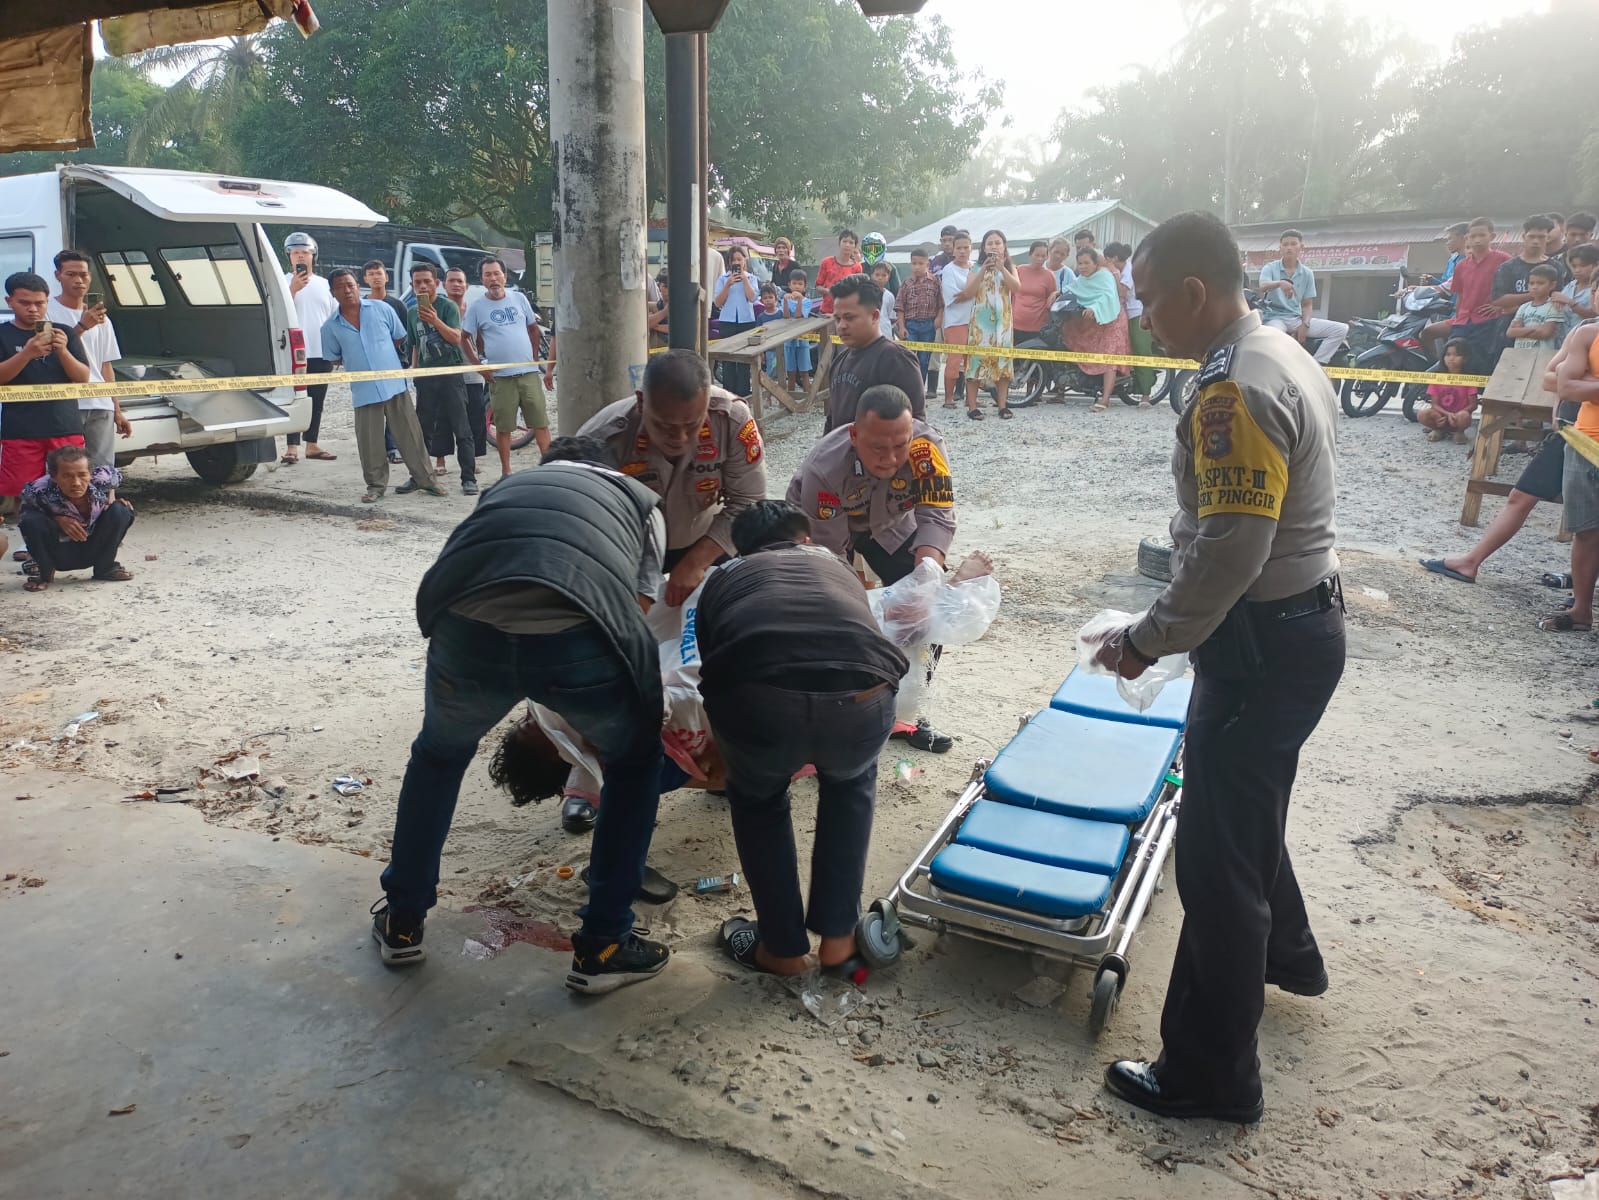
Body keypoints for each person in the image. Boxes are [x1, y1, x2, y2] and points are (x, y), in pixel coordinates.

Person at [1095, 211, 1343, 1124]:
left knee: (1214, 865)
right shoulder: (1275, 349)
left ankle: (1208, 1077)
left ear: (1193, 293)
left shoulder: (1233, 388)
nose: (1145, 313)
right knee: (1242, 812)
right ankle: (1290, 956)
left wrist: (1148, 637)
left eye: (1150, 297)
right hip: (1297, 629)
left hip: (1262, 642)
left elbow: (1233, 547)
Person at [371, 434, 672, 994]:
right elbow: (637, 615)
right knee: (634, 768)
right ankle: (604, 946)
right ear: (607, 470)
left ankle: (403, 920)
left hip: (466, 625)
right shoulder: (638, 502)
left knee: (438, 756)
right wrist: (620, 714)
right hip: (577, 634)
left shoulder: (508, 486)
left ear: (550, 466)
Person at [700, 499, 909, 976]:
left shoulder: (727, 576)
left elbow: (713, 671)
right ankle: (838, 940)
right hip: (865, 703)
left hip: (762, 705)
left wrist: (727, 748)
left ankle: (782, 948)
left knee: (757, 801)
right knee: (850, 785)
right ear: (806, 537)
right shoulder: (835, 565)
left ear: (740, 549)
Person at [788, 384, 956, 753]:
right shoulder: (825, 466)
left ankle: (908, 711)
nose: (891, 458)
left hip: (891, 525)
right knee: (835, 618)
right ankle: (840, 719)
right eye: (878, 448)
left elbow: (937, 516)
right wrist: (869, 603)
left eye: (901, 445)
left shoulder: (928, 449)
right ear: (854, 434)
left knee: (928, 613)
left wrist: (925, 579)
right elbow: (832, 554)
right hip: (821, 530)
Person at [577, 349, 766, 604]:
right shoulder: (603, 437)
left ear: (707, 403)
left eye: (692, 425)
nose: (680, 439)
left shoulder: (731, 419)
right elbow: (586, 521)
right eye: (665, 426)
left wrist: (697, 561)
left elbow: (748, 501)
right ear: (642, 402)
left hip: (707, 540)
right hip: (628, 550)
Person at [1419, 324, 1592, 586]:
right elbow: (1551, 379)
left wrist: (1577, 380)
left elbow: (1564, 380)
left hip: (1590, 435)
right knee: (1520, 496)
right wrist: (1570, 386)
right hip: (1569, 430)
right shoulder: (1584, 331)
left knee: (1588, 524)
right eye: (1596, 289)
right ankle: (1471, 561)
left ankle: (1583, 588)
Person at [318, 269, 441, 504]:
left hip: (393, 384)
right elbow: (334, 358)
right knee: (370, 441)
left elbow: (398, 337)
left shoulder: (382, 309)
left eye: (350, 285)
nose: (347, 290)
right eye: (340, 287)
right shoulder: (330, 327)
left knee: (410, 434)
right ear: (333, 293)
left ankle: (427, 479)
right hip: (363, 390)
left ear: (358, 286)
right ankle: (376, 486)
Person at [0, 271, 91, 510]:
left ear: (47, 301)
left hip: (64, 423)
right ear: (9, 301)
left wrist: (62, 351)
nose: (33, 309)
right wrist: (27, 353)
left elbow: (83, 378)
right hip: (20, 427)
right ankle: (29, 541)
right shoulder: (3, 334)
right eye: (25, 303)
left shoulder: (65, 332)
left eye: (39, 303)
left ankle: (71, 537)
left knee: (72, 485)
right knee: (25, 490)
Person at [1535, 321, 1599, 633]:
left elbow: (1574, 382)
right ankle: (1581, 611)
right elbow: (1565, 386)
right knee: (1586, 532)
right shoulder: (1588, 334)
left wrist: (1591, 381)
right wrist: (1579, 381)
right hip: (1586, 444)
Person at [463, 257, 549, 479]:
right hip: (500, 378)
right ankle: (506, 471)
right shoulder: (477, 307)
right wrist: (478, 366)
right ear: (482, 279)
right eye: (487, 275)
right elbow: (464, 338)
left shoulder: (518, 298)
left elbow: (532, 329)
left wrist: (532, 357)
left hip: (528, 374)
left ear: (504, 275)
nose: (493, 279)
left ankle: (549, 468)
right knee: (503, 427)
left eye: (496, 274)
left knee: (540, 422)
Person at [16, 445, 135, 592]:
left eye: (82, 475)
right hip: (59, 551)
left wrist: (111, 497)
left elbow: (115, 476)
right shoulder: (38, 490)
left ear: (90, 474)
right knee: (31, 520)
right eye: (67, 476)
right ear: (54, 477)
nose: (76, 483)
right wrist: (57, 519)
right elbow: (24, 518)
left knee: (121, 510)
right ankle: (45, 574)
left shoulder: (101, 478)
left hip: (93, 545)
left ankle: (105, 568)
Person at [48, 251, 128, 468]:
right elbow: (50, 355)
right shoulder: (47, 312)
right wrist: (82, 327)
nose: (78, 280)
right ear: (58, 275)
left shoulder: (102, 319)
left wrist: (117, 409)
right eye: (71, 274)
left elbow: (106, 365)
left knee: (103, 468)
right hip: (66, 402)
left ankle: (104, 503)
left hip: (100, 402)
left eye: (83, 275)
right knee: (66, 468)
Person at [404, 263, 476, 495]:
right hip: (426, 377)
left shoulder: (447, 307)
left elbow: (456, 338)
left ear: (436, 283)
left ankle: (468, 478)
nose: (423, 286)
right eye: (417, 283)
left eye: (427, 281)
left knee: (461, 427)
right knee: (422, 429)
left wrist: (435, 321)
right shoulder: (412, 311)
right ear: (412, 286)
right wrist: (416, 373)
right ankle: (419, 476)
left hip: (451, 374)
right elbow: (415, 345)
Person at [823, 275, 927, 434]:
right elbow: (832, 422)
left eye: (849, 317)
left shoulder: (896, 359)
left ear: (875, 316)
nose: (842, 326)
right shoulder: (839, 362)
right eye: (837, 319)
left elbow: (916, 425)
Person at [281, 231, 337, 465]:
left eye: (305, 252)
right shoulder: (281, 282)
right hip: (294, 352)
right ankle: (291, 447)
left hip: (321, 351)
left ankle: (312, 444)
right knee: (295, 397)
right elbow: (279, 313)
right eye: (295, 253)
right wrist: (292, 289)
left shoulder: (325, 285)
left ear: (313, 255)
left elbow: (335, 317)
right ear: (289, 257)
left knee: (317, 400)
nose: (300, 256)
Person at [1256, 230, 1349, 365]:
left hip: (1296, 319)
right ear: (1280, 248)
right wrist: (1280, 283)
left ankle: (1317, 365)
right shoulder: (1270, 268)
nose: (1289, 247)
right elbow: (1263, 286)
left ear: (1301, 247)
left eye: (1293, 244)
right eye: (1285, 244)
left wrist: (1305, 324)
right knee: (1274, 338)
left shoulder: (1307, 273)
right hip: (1274, 318)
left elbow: (1307, 304)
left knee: (1341, 329)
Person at [1437, 217, 1512, 370]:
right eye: (1473, 236)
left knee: (1481, 363)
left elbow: (1513, 290)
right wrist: (1458, 318)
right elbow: (1461, 295)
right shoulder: (1461, 266)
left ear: (1492, 237)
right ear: (1467, 239)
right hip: (1463, 321)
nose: (1477, 240)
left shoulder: (1504, 260)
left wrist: (1499, 307)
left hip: (1489, 322)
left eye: (1481, 235)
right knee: (1453, 362)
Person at [959, 230, 1019, 421]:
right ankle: (973, 406)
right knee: (976, 363)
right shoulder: (975, 268)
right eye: (990, 243)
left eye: (998, 243)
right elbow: (968, 292)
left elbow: (1017, 288)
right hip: (981, 323)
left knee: (1002, 363)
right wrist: (983, 269)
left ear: (1004, 246)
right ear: (984, 248)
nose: (994, 246)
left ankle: (1002, 406)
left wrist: (1002, 269)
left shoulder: (1010, 267)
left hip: (1003, 322)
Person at [1064, 247, 1131, 412]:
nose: (1083, 267)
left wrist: (1094, 308)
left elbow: (1108, 296)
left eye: (1087, 263)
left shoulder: (1104, 275)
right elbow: (1074, 288)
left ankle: (1105, 399)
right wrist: (1057, 293)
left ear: (1095, 263)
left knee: (1109, 359)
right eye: (1080, 263)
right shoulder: (1082, 278)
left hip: (1112, 319)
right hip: (1094, 321)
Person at [363, 259, 413, 465]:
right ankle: (373, 450)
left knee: (394, 408)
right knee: (372, 408)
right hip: (367, 365)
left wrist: (403, 358)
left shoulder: (397, 305)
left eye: (379, 273)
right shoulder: (360, 305)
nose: (376, 277)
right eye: (371, 273)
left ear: (386, 277)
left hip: (394, 363)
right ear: (365, 279)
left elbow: (405, 335)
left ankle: (393, 447)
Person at [444, 267, 488, 460]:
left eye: (460, 281)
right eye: (451, 281)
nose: (456, 285)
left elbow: (481, 342)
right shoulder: (438, 311)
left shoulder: (475, 311)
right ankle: (441, 459)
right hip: (446, 374)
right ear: (444, 285)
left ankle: (473, 459)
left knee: (475, 419)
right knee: (444, 419)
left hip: (472, 374)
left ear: (466, 286)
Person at [1106, 242, 1157, 405]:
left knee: (1141, 353)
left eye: (1107, 259)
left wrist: (1113, 272)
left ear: (1113, 258)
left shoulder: (1129, 270)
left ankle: (1145, 395)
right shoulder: (1123, 269)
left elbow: (1122, 291)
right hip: (1126, 314)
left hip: (1138, 315)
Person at [1420, 223, 1472, 359]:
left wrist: (1416, 289)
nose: (1447, 242)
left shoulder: (1469, 260)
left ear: (1463, 238)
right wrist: (1432, 282)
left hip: (1461, 312)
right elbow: (1447, 284)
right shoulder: (1452, 260)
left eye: (1450, 238)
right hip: (1445, 309)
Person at [713, 246, 759, 396]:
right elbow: (718, 303)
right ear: (729, 262)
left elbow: (752, 298)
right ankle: (729, 392)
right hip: (727, 321)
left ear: (745, 260)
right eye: (734, 260)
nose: (737, 262)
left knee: (745, 358)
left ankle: (744, 391)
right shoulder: (723, 279)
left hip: (746, 321)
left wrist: (744, 280)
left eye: (740, 259)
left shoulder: (752, 278)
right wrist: (728, 284)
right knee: (728, 359)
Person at [896, 248, 943, 396]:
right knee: (909, 359)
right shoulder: (906, 284)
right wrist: (902, 326)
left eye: (920, 263)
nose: (917, 267)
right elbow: (900, 307)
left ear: (927, 264)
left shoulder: (935, 282)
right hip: (911, 326)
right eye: (914, 263)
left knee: (924, 360)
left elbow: (941, 304)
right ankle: (907, 391)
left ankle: (919, 393)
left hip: (928, 326)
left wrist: (938, 319)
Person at [1415, 338, 1479, 443]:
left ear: (1465, 358)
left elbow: (1473, 405)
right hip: (1440, 417)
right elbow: (1434, 404)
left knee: (1464, 416)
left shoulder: (1469, 379)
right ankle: (1438, 429)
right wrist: (1447, 414)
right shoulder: (1438, 378)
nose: (1451, 358)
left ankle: (1459, 432)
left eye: (1457, 355)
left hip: (1458, 418)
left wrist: (1457, 415)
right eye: (1448, 354)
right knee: (1422, 414)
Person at [938, 232, 976, 407]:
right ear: (953, 250)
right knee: (954, 360)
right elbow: (953, 296)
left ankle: (971, 399)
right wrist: (972, 292)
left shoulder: (976, 268)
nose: (962, 251)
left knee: (973, 361)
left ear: (971, 248)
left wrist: (968, 293)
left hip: (976, 321)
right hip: (955, 322)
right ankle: (948, 398)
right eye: (959, 248)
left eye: (966, 247)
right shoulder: (949, 270)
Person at [1013, 240, 1058, 350]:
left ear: (1047, 257)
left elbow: (1051, 299)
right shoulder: (1019, 270)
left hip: (1037, 326)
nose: (1040, 259)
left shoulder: (1049, 276)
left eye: (1043, 256)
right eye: (1037, 255)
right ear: (1030, 254)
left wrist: (1056, 293)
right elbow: (1010, 293)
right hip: (1015, 324)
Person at [1508, 265, 1564, 350]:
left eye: (1540, 283)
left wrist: (1521, 331)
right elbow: (1510, 332)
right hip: (1521, 354)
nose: (1535, 287)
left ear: (1552, 285)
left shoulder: (1554, 306)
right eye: (1531, 283)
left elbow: (1545, 333)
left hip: (1544, 355)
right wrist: (1537, 329)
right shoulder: (1524, 307)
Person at [815, 230, 867, 316]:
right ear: (839, 243)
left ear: (855, 246)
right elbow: (818, 286)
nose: (847, 245)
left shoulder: (857, 267)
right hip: (826, 312)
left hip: (847, 313)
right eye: (844, 241)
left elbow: (857, 292)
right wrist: (828, 291)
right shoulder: (827, 262)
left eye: (851, 242)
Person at [1552, 243, 1599, 335]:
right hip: (1563, 338)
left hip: (1587, 338)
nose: (1577, 270)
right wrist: (1555, 299)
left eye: (1582, 266)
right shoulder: (1570, 286)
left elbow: (1594, 314)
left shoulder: (1596, 289)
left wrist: (1570, 302)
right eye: (1574, 266)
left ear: (1596, 265)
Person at [780, 271, 813, 393]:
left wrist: (799, 301)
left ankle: (807, 397)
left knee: (804, 371)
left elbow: (799, 316)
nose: (797, 286)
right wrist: (784, 301)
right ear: (789, 285)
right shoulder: (786, 299)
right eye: (794, 283)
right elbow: (786, 316)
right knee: (791, 371)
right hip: (789, 339)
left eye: (800, 284)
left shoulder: (807, 301)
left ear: (805, 286)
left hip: (802, 339)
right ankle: (790, 397)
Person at [870, 262, 897, 340]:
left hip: (885, 334)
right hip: (868, 334)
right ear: (872, 275)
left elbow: (891, 316)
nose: (880, 278)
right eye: (877, 275)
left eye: (884, 275)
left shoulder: (890, 296)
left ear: (888, 277)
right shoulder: (865, 294)